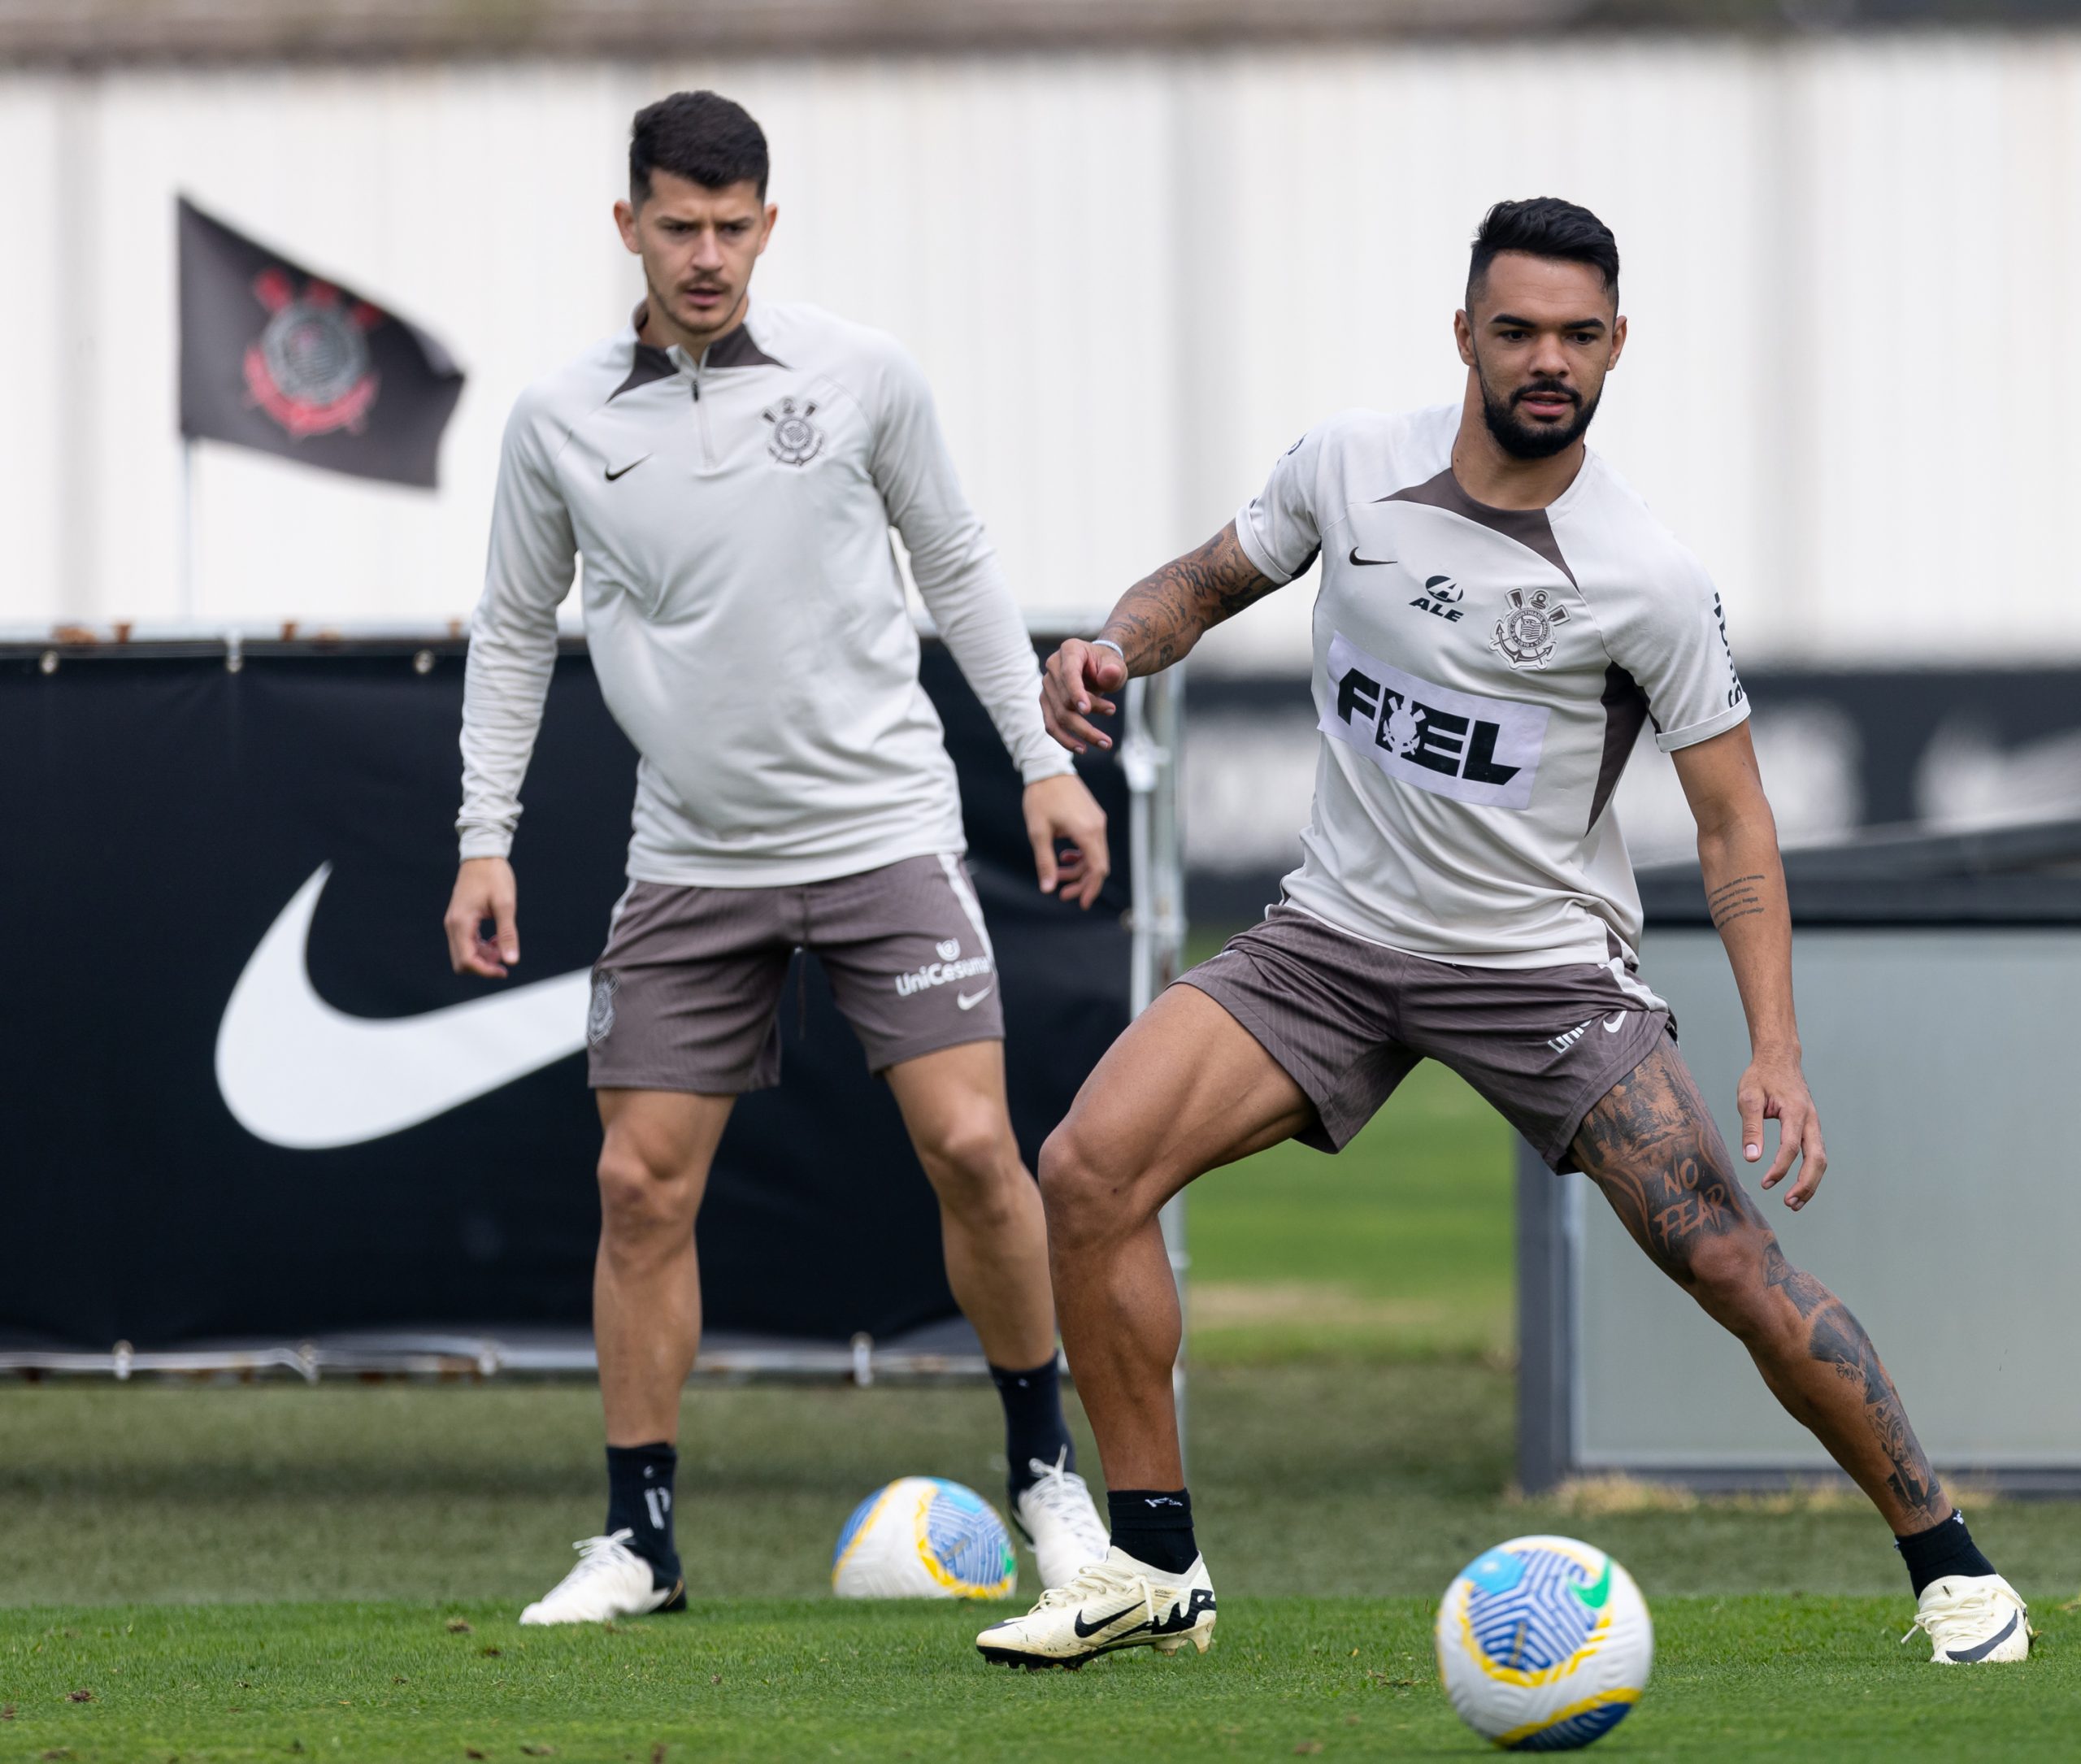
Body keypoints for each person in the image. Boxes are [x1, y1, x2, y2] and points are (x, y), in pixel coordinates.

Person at [976, 198, 2031, 1670]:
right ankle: (1157, 1568)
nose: (1550, 360)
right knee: (1086, 1169)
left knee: (1731, 1262)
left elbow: (1735, 827)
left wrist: (1775, 1049)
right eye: (1521, 329)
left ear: (1617, 349)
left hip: (1542, 970)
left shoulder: (1646, 578)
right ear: (1463, 332)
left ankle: (1958, 1570)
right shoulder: (1349, 465)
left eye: (1580, 336)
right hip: (1330, 944)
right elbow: (1202, 586)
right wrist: (1112, 644)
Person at [445, 89, 1110, 1624]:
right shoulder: (557, 419)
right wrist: (485, 839)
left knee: (971, 1149)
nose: (706, 254)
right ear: (628, 225)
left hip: (885, 830)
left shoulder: (863, 375)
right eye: (677, 225)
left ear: (768, 223)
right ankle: (642, 1540)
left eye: (733, 226)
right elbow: (508, 641)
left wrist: (1042, 766)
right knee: (635, 1186)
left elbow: (957, 562)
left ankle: (1047, 1481)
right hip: (689, 858)